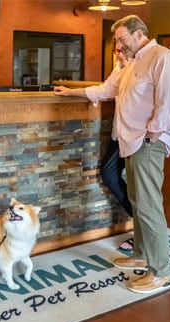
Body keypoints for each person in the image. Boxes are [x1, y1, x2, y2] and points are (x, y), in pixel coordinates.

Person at [108, 15, 170, 294]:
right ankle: (141, 253)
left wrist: (152, 132)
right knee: (138, 201)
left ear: (139, 34)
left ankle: (160, 272)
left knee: (150, 206)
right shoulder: (135, 60)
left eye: (121, 38)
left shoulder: (161, 57)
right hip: (133, 141)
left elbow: (168, 101)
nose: (118, 44)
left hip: (148, 142)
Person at [54, 49, 134, 251]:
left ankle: (144, 230)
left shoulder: (141, 66)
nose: (120, 55)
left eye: (124, 50)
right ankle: (141, 222)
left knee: (139, 185)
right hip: (120, 133)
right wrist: (70, 92)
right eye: (117, 50)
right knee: (109, 173)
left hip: (139, 136)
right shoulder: (119, 69)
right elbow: (104, 90)